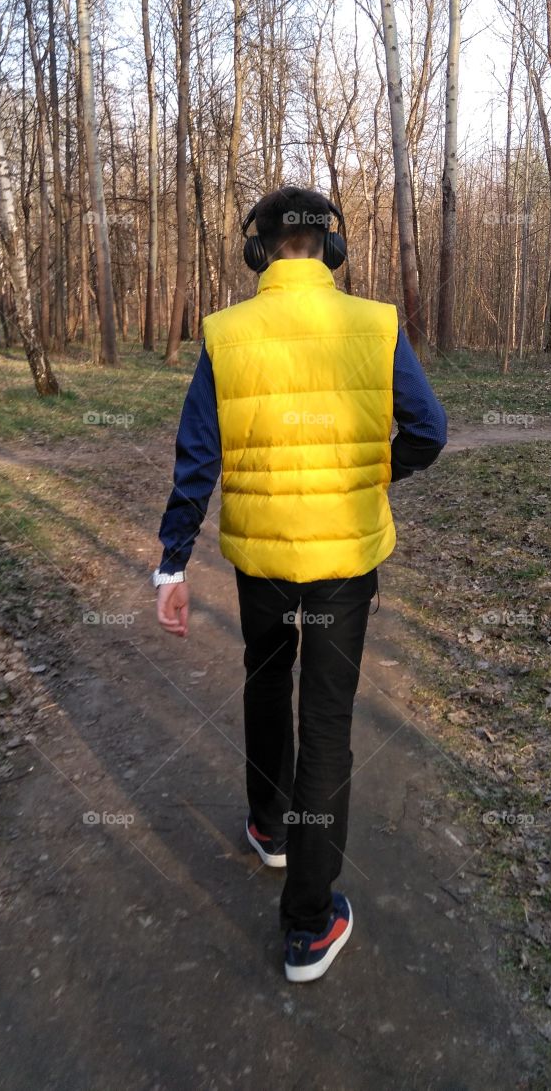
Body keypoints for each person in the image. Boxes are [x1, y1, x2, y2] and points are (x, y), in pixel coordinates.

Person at [154, 186, 447, 982]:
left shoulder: (227, 332)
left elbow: (196, 458)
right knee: (325, 727)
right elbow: (430, 431)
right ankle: (309, 925)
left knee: (262, 681)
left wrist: (172, 563)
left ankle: (269, 826)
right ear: (331, 247)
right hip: (344, 568)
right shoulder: (375, 323)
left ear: (260, 250)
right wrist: (371, 471)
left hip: (262, 566)